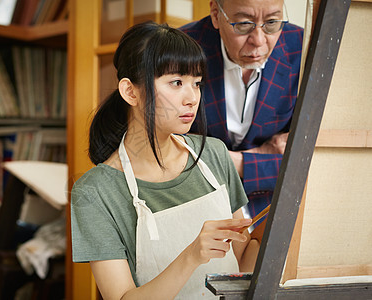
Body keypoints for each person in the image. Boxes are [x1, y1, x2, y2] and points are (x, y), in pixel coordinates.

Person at [70, 21, 259, 299]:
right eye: (176, 82)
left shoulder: (214, 154)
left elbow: (242, 263)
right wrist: (193, 254)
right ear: (130, 92)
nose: (192, 98)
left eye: (196, 84)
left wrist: (267, 238)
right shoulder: (94, 192)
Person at [180, 0, 303, 223]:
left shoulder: (304, 48)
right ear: (216, 14)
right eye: (244, 24)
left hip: (274, 209)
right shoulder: (180, 48)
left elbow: (306, 166)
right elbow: (166, 151)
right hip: (192, 205)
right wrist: (259, 156)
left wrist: (233, 162)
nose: (258, 41)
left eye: (272, 22)